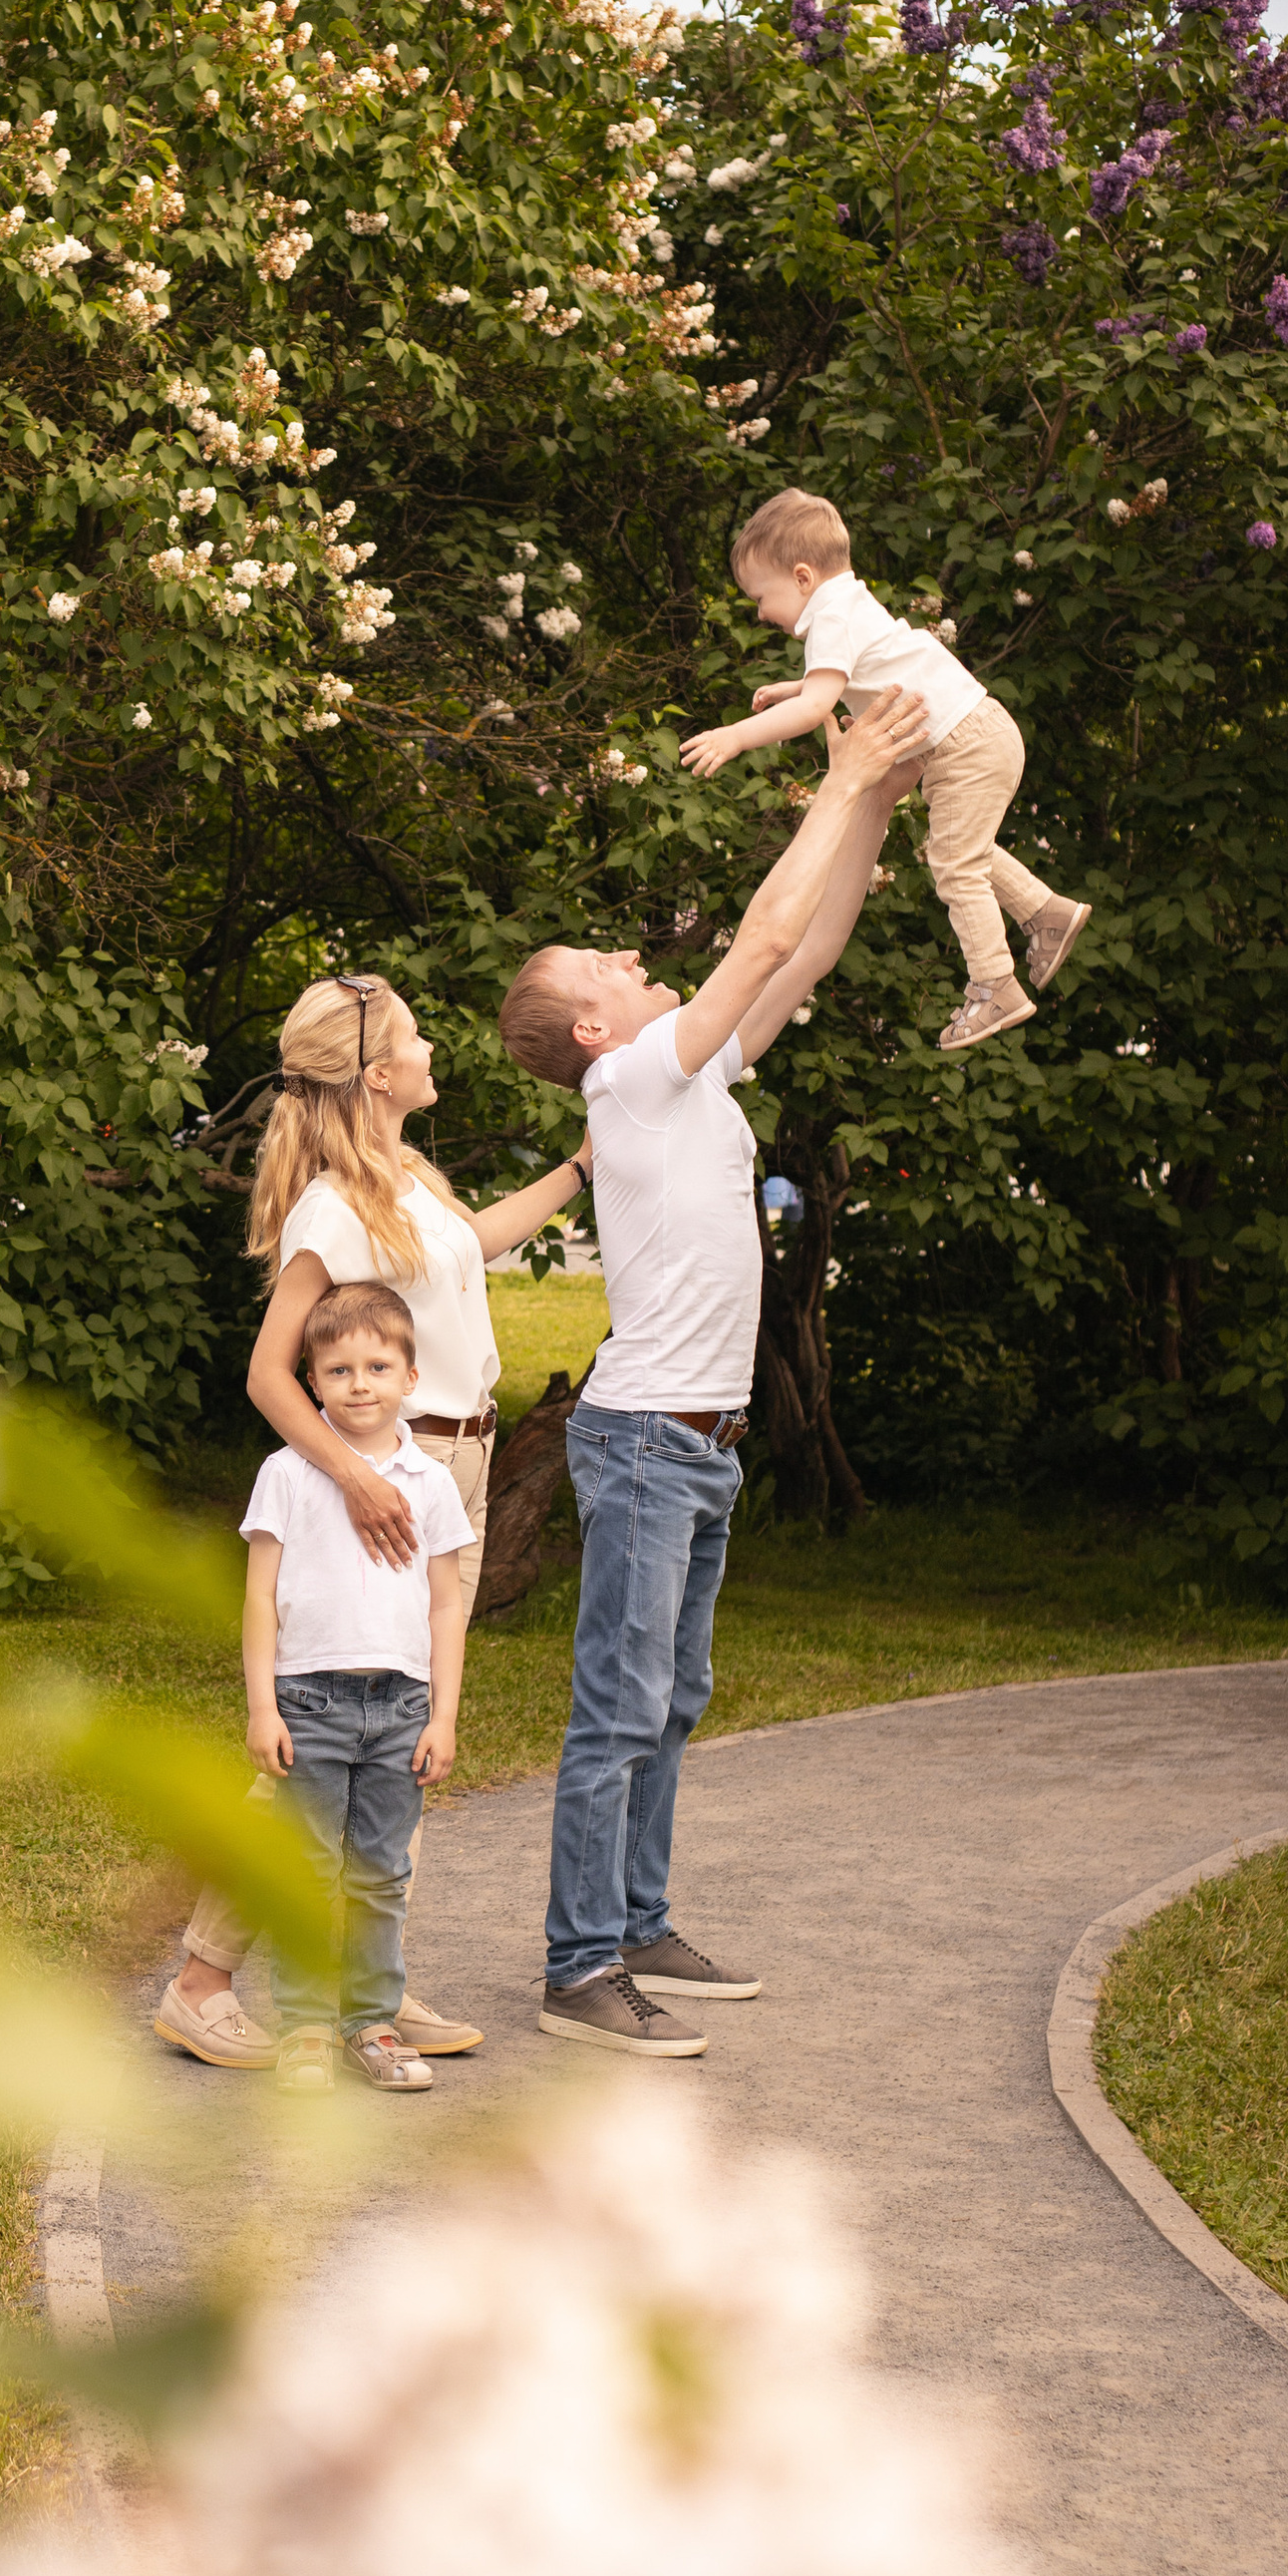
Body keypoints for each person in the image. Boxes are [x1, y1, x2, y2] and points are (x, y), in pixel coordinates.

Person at [496, 682, 931, 2055]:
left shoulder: (690, 1082)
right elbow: (759, 936)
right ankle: (578, 1971)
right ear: (591, 1032)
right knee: (618, 1709)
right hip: (639, 1442)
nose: (632, 962)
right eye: (608, 970)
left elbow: (807, 951)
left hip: (699, 1450)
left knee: (670, 1700)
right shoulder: (626, 1086)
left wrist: (868, 802)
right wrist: (843, 764)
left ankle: (636, 1924)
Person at [152, 974, 590, 2072]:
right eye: (413, 1037)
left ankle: (366, 1992)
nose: (431, 1044)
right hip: (390, 1471)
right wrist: (355, 1476)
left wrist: (583, 1170)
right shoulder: (331, 1206)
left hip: (453, 1462)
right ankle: (202, 1983)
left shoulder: (398, 1177)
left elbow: (473, 1243)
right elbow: (267, 1373)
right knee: (315, 1746)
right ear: (378, 1073)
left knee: (397, 1742)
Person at [682, 485, 1090, 1056]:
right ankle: (1047, 912)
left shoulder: (829, 616)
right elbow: (857, 669)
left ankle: (994, 984)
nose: (759, 611)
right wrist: (795, 686)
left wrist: (735, 736)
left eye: (759, 596)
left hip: (963, 747)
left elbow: (818, 708)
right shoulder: (849, 601)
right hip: (978, 734)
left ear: (802, 577)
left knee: (953, 864)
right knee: (957, 847)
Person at [237, 1281, 472, 2094]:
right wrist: (263, 1705)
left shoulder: (430, 1484)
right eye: (338, 1370)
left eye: (378, 1366)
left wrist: (442, 1716)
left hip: (401, 1708)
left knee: (379, 1875)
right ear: (311, 1382)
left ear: (411, 1376)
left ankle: (369, 2022)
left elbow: (446, 1604)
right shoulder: (288, 1474)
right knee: (306, 1873)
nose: (360, 1383)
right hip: (308, 1702)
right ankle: (302, 2025)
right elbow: (260, 1596)